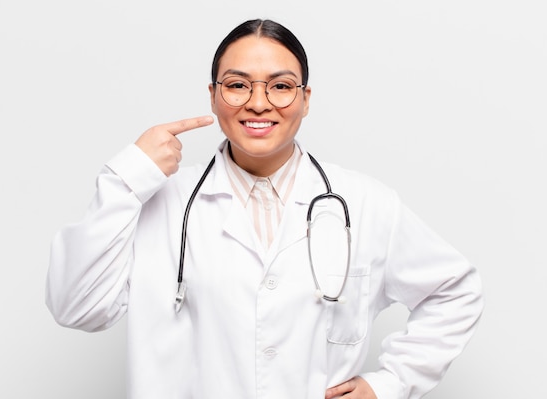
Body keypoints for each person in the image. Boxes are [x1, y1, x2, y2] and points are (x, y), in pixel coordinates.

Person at [46, 18, 483, 399]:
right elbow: (75, 307)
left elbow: (455, 291)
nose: (258, 102)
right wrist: (126, 179)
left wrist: (390, 384)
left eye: (280, 86)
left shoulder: (363, 203)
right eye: (237, 85)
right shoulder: (160, 200)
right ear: (214, 96)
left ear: (306, 99)